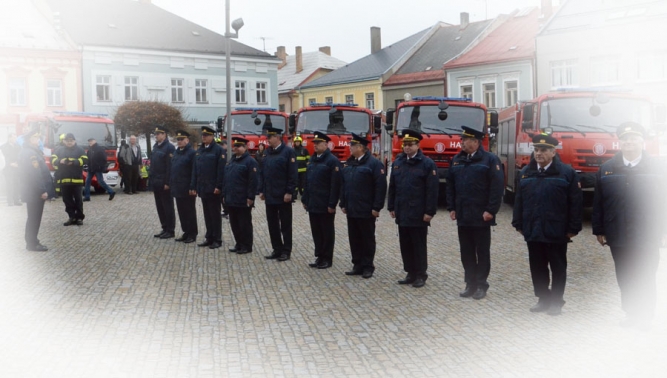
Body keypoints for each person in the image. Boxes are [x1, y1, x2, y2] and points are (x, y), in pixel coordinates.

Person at [592, 122, 667, 329]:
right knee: (624, 274)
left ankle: (646, 315)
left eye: (634, 138)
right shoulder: (607, 169)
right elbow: (599, 202)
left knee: (646, 273)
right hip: (618, 233)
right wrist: (599, 229)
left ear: (642, 141)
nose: (629, 142)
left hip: (647, 234)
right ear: (619, 142)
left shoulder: (658, 168)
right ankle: (631, 313)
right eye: (625, 139)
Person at [512, 133, 583, 316]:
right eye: (536, 150)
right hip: (533, 228)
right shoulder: (526, 172)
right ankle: (543, 298)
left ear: (553, 152)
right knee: (537, 266)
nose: (538, 154)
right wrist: (518, 223)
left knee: (558, 266)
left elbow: (575, 203)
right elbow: (519, 200)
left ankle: (557, 301)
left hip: (557, 230)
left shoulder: (567, 173)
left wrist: (572, 228)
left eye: (543, 150)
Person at [446, 126, 504, 299]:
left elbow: (497, 187)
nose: (462, 142)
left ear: (476, 142)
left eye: (465, 140)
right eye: (462, 140)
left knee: (482, 252)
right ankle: (470, 283)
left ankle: (481, 285)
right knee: (466, 252)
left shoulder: (490, 160)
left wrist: (491, 210)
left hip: (481, 215)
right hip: (463, 215)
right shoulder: (457, 160)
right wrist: (452, 207)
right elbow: (450, 185)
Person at [388, 129, 438, 288]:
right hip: (402, 211)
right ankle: (410, 272)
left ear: (418, 145)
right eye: (405, 145)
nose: (407, 148)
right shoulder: (398, 162)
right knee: (405, 244)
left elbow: (432, 190)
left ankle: (421, 274)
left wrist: (429, 211)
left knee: (418, 244)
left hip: (418, 212)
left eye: (410, 145)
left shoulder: (427, 164)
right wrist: (391, 206)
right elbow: (393, 187)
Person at [340, 133, 387, 278]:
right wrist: (343, 202)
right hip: (352, 207)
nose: (350, 148)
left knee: (367, 238)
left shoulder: (373, 164)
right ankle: (357, 264)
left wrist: (376, 207)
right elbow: (344, 185)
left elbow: (380, 187)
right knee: (354, 238)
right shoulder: (350, 163)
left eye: (352, 146)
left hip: (366, 209)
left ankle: (368, 266)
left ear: (360, 147)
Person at [302, 131, 342, 269]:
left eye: (318, 143)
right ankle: (319, 255)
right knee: (316, 231)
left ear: (326, 144)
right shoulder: (312, 160)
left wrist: (332, 203)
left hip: (325, 203)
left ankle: (327, 258)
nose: (316, 146)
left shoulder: (332, 161)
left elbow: (335, 185)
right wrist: (305, 198)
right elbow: (307, 181)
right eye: (315, 143)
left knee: (326, 231)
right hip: (313, 202)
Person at [258, 126, 297, 261]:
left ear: (278, 137)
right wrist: (262, 190)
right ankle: (277, 248)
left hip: (282, 195)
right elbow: (263, 173)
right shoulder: (268, 153)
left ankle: (286, 250)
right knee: (272, 224)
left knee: (285, 224)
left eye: (270, 137)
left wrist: (289, 192)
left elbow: (292, 174)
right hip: (270, 194)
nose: (268, 140)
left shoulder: (288, 152)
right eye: (267, 137)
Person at [19, 130, 55, 251]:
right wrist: (42, 190)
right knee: (34, 218)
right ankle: (32, 243)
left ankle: (32, 241)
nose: (38, 140)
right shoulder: (31, 153)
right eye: (36, 138)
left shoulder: (30, 151)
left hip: (32, 191)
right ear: (30, 139)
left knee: (33, 217)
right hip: (34, 192)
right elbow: (35, 174)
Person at [224, 137, 259, 255]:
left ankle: (246, 245)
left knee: (244, 223)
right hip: (231, 198)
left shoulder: (250, 161)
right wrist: (225, 195)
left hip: (243, 198)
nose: (235, 148)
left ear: (245, 148)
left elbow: (252, 181)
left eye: (238, 146)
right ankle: (238, 243)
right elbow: (227, 179)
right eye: (234, 146)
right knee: (234, 223)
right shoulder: (232, 160)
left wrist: (251, 197)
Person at [194, 126, 225, 249]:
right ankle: (209, 237)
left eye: (206, 135)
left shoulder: (218, 150)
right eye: (203, 135)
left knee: (215, 214)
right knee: (207, 214)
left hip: (213, 188)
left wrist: (218, 186)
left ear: (212, 136)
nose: (204, 137)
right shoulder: (200, 150)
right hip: (203, 187)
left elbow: (220, 170)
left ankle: (217, 239)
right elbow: (197, 170)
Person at [52, 133, 87, 226]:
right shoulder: (59, 150)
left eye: (71, 140)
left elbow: (85, 159)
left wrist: (74, 162)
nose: (69, 142)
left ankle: (79, 218)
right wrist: (60, 161)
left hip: (77, 180)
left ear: (74, 141)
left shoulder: (80, 149)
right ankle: (72, 216)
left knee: (78, 200)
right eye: (67, 141)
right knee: (67, 200)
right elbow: (53, 160)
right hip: (64, 179)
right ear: (64, 141)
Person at [149, 126, 176, 239]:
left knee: (167, 206)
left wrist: (168, 182)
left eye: (159, 134)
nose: (157, 136)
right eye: (156, 134)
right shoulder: (155, 146)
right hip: (156, 181)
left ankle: (170, 230)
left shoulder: (169, 147)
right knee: (160, 206)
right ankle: (164, 227)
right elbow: (153, 165)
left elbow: (170, 167)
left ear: (164, 134)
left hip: (164, 181)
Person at [170, 130, 197, 244]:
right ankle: (186, 231)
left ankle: (192, 233)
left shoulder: (191, 153)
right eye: (178, 140)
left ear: (187, 140)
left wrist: (192, 186)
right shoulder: (177, 152)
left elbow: (194, 171)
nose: (180, 141)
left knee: (189, 211)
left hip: (187, 188)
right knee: (181, 211)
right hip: (177, 186)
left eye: (182, 139)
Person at [1, 133, 21, 206]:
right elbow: (4, 157)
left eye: (15, 138)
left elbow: (20, 155)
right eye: (13, 138)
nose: (15, 139)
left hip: (16, 167)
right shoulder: (3, 147)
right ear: (9, 138)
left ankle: (16, 200)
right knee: (9, 185)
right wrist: (10, 163)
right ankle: (10, 201)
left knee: (17, 184)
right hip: (8, 168)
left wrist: (17, 163)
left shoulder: (18, 146)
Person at [293, 135, 310, 201]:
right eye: (296, 142)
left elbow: (308, 159)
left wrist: (307, 163)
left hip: (303, 170)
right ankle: (294, 195)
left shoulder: (304, 150)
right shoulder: (292, 150)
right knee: (295, 183)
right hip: (295, 170)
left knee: (303, 183)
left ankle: (303, 195)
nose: (297, 143)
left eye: (298, 142)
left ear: (300, 142)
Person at [217, 138, 229, 218]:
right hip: (223, 177)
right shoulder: (221, 152)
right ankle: (225, 210)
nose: (221, 146)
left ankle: (227, 210)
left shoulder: (228, 153)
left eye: (223, 145)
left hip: (227, 177)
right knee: (222, 196)